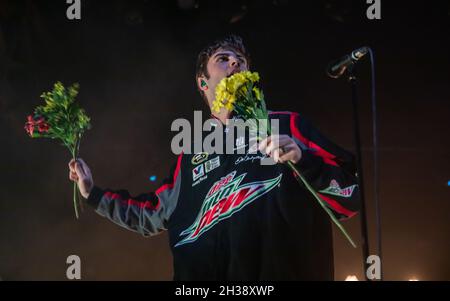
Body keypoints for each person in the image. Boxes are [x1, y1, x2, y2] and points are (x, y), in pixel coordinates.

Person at [69, 35, 360, 280]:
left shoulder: (286, 126)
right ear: (202, 83)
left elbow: (350, 195)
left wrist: (304, 160)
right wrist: (92, 193)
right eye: (223, 59)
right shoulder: (189, 156)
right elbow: (152, 214)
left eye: (241, 61)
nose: (235, 63)